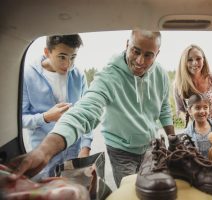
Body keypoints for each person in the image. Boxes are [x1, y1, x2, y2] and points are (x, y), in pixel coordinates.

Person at [12, 30, 175, 187]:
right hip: (121, 150)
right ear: (127, 45)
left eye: (148, 55)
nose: (140, 61)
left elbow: (164, 107)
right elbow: (84, 111)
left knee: (153, 190)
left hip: (149, 147)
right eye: (136, 51)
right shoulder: (109, 76)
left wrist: (173, 139)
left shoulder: (160, 73)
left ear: (157, 54)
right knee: (130, 191)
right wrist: (44, 150)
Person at [22, 34, 93, 180]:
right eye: (62, 57)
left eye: (73, 57)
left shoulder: (78, 76)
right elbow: (20, 119)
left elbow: (87, 113)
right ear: (47, 52)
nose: (68, 64)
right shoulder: (27, 76)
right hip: (43, 155)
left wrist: (85, 147)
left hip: (74, 152)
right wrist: (45, 118)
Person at [174, 44, 212, 127]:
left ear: (203, 60)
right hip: (195, 131)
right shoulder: (178, 84)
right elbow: (180, 110)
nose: (195, 63)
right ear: (184, 62)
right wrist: (190, 125)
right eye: (189, 60)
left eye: (198, 58)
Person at [184, 93, 212, 158]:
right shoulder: (186, 134)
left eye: (205, 107)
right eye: (197, 108)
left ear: (209, 109)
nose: (202, 111)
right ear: (189, 111)